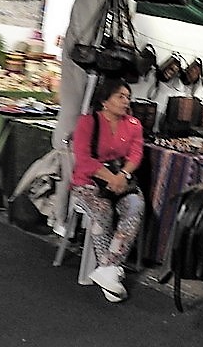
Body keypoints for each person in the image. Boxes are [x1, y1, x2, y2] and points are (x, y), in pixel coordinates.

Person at [71, 78, 144, 303]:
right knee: (102, 209)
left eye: (128, 97)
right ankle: (110, 269)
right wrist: (111, 178)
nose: (125, 101)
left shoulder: (133, 124)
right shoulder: (88, 122)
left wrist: (123, 176)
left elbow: (136, 154)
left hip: (120, 182)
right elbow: (83, 159)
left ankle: (107, 267)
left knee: (135, 205)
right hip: (88, 183)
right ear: (104, 100)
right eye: (120, 96)